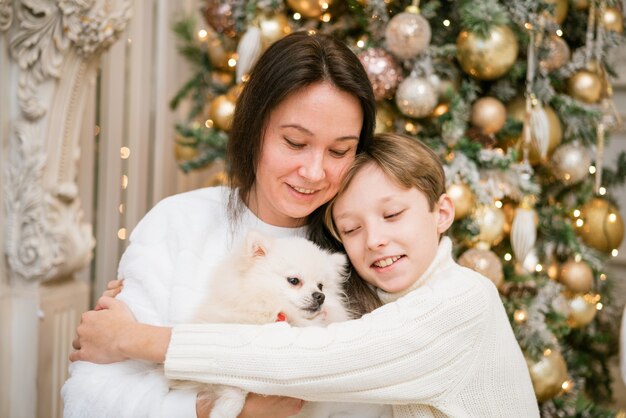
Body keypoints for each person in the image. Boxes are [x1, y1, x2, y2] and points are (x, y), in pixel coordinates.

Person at [71, 133, 541, 417]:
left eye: (393, 215)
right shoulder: (395, 298)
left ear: (442, 213)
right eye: (351, 229)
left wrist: (130, 339)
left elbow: (318, 357)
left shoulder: (461, 302)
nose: (373, 240)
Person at [62, 29, 376, 418]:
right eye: (295, 142)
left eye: (340, 150)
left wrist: (138, 339)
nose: (314, 171)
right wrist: (211, 410)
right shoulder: (178, 223)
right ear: (254, 128)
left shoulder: (369, 247)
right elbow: (89, 397)